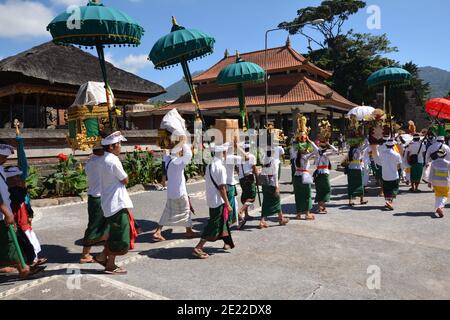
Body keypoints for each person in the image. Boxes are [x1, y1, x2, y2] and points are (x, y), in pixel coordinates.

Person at [94, 132, 137, 275]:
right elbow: (125, 179)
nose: (121, 147)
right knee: (120, 235)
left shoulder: (101, 159)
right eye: (119, 144)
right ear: (112, 146)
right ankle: (110, 264)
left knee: (115, 232)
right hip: (116, 203)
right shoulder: (113, 160)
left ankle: (102, 256)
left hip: (109, 202)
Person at [0, 142, 45, 279]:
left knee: (8, 242)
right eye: (3, 157)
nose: (5, 160)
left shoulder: (0, 168)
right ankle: (23, 269)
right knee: (10, 242)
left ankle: (19, 266)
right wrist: (7, 213)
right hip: (2, 215)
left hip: (3, 213)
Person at [153, 136, 199, 241]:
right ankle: (188, 231)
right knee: (186, 211)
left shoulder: (169, 159)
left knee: (169, 211)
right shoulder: (178, 162)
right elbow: (189, 154)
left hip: (171, 191)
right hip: (179, 192)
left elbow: (166, 156)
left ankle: (159, 231)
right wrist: (183, 142)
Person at [192, 143, 235, 259]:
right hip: (218, 201)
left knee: (221, 221)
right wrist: (228, 203)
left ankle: (227, 242)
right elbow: (222, 188)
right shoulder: (220, 167)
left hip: (211, 199)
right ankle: (199, 247)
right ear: (223, 153)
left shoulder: (210, 165)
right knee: (213, 224)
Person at [4, 167, 47, 267]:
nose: (19, 178)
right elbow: (19, 199)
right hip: (17, 220)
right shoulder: (10, 191)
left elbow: (26, 203)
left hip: (23, 219)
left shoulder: (17, 189)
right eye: (16, 177)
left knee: (30, 241)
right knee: (24, 242)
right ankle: (29, 261)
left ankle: (33, 259)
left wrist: (30, 213)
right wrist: (22, 188)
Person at [80, 144, 109, 264]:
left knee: (107, 225)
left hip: (96, 196)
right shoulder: (101, 162)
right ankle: (85, 254)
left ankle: (106, 251)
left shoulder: (91, 160)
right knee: (94, 226)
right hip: (99, 197)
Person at [259, 147, 289, 229]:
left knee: (266, 201)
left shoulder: (264, 160)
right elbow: (275, 174)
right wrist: (277, 186)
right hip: (272, 182)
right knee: (277, 200)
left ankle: (263, 220)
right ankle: (280, 218)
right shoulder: (273, 161)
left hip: (265, 183)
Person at [292, 138, 318, 220]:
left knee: (298, 195)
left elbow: (292, 148)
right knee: (307, 195)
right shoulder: (306, 156)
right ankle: (307, 214)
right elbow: (317, 151)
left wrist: (297, 142)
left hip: (296, 177)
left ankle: (298, 214)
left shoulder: (295, 155)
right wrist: (310, 141)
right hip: (304, 177)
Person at [237, 143, 258, 229]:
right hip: (249, 177)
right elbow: (254, 168)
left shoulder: (239, 158)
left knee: (245, 196)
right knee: (252, 197)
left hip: (241, 178)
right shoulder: (252, 156)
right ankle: (241, 211)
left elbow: (237, 169)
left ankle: (246, 215)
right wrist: (257, 179)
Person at [377, 139, 402, 210]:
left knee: (387, 189)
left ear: (386, 145)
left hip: (385, 174)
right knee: (394, 189)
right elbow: (398, 165)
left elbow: (380, 163)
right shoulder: (396, 154)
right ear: (393, 146)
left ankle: (388, 201)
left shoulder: (381, 153)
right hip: (394, 174)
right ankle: (390, 202)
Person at [314, 142, 338, 214]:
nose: (320, 148)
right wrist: (309, 141)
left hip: (323, 173)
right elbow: (314, 146)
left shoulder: (325, 154)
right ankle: (320, 207)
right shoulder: (318, 153)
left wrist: (329, 144)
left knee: (324, 189)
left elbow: (336, 151)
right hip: (319, 173)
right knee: (322, 189)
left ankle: (321, 206)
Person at [428, 148, 450, 218]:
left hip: (435, 181)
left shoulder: (433, 162)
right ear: (445, 155)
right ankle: (440, 207)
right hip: (445, 182)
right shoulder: (448, 163)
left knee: (438, 195)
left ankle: (438, 207)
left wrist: (429, 182)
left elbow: (431, 173)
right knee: (445, 195)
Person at [347, 140, 369, 206]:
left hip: (351, 168)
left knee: (351, 184)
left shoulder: (350, 150)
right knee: (360, 184)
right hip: (358, 168)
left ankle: (350, 201)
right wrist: (364, 137)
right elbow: (367, 144)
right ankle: (361, 199)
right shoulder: (359, 150)